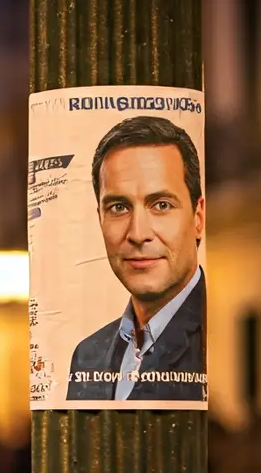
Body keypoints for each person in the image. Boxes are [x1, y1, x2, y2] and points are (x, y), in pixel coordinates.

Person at [66, 115, 206, 402]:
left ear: (198, 217)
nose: (138, 234)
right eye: (119, 207)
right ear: (100, 219)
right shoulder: (87, 355)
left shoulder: (214, 340)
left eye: (162, 205)